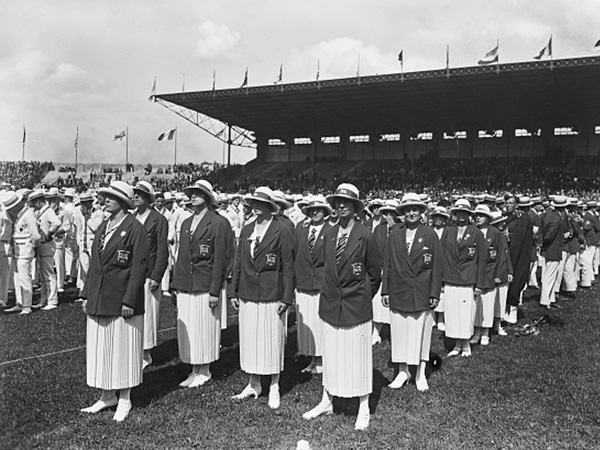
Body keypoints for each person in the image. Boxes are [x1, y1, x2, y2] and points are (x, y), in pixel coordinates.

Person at [303, 183, 381, 431]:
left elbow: (374, 274)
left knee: (358, 356)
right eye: (337, 201)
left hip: (355, 307)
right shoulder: (329, 234)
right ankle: (328, 400)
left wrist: (359, 295)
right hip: (330, 305)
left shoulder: (365, 235)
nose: (341, 205)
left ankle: (363, 406)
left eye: (346, 202)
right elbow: (327, 268)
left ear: (356, 207)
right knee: (333, 355)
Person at [80, 181, 149, 422]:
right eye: (105, 196)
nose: (106, 200)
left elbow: (139, 267)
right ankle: (106, 394)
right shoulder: (103, 226)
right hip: (100, 297)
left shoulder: (135, 228)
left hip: (122, 299)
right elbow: (95, 264)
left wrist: (130, 300)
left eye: (111, 197)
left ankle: (125, 398)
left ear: (123, 202)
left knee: (123, 348)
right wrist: (87, 294)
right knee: (101, 347)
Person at [230, 186, 295, 410]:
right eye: (253, 204)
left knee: (271, 339)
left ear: (269, 208)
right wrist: (234, 290)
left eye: (260, 204)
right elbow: (238, 262)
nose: (255, 208)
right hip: (248, 293)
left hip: (271, 294)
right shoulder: (247, 229)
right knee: (250, 339)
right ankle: (253, 383)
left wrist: (286, 298)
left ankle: (274, 385)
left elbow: (288, 266)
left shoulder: (281, 230)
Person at [170, 180, 230, 388]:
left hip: (205, 283)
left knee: (204, 325)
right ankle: (194, 368)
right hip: (187, 282)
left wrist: (215, 290)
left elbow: (221, 259)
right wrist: (176, 284)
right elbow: (181, 256)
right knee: (188, 323)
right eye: (192, 193)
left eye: (199, 193)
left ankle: (204, 369)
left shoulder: (219, 223)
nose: (193, 196)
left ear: (208, 198)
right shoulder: (186, 223)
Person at [382, 193, 441, 392]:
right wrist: (385, 290)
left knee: (420, 332)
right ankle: (402, 371)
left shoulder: (430, 234)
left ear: (421, 212)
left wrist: (434, 293)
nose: (411, 213)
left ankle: (420, 372)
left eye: (415, 209)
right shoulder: (396, 234)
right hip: (399, 290)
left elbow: (437, 266)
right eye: (407, 210)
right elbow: (388, 264)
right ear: (403, 214)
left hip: (421, 292)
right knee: (399, 332)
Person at [440, 198, 486, 357]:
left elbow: (482, 260)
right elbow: (441, 254)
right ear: (454, 214)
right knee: (452, 312)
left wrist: (480, 284)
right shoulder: (448, 231)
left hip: (468, 279)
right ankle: (457, 345)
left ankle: (466, 345)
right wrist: (441, 280)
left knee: (466, 312)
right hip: (451, 278)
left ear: (469, 215)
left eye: (464, 213)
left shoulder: (476, 233)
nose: (461, 215)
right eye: (458, 212)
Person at [132, 181, 169, 369]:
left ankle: (146, 354)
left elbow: (162, 250)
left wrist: (156, 275)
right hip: (132, 274)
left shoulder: (158, 219)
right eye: (135, 193)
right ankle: (135, 348)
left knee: (148, 313)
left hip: (149, 273)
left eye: (140, 194)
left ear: (148, 198)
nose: (136, 196)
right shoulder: (131, 218)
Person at [294, 195, 332, 374]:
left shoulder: (331, 230)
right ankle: (312, 359)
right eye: (312, 210)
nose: (315, 212)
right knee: (307, 322)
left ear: (325, 212)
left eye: (318, 209)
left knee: (320, 321)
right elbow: (295, 254)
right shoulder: (301, 230)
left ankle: (322, 359)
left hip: (321, 283)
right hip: (303, 282)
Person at [31, 189, 61, 310]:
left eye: (34, 202)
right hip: (41, 245)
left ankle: (52, 300)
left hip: (46, 244)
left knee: (49, 274)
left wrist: (49, 234)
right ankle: (44, 299)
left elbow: (57, 223)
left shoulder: (48, 211)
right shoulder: (41, 212)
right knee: (43, 276)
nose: (33, 205)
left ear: (38, 202)